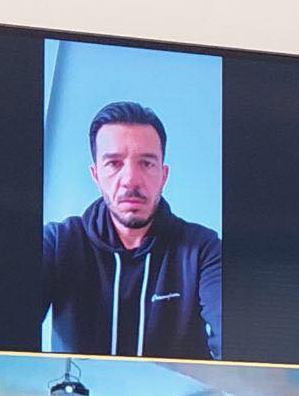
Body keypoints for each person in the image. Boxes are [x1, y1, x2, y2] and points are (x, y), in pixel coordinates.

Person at [42, 101, 222, 360]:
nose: (130, 180)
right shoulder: (57, 243)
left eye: (146, 163)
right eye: (114, 163)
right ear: (96, 175)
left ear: (163, 175)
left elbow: (238, 346)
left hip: (178, 389)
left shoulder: (203, 249)